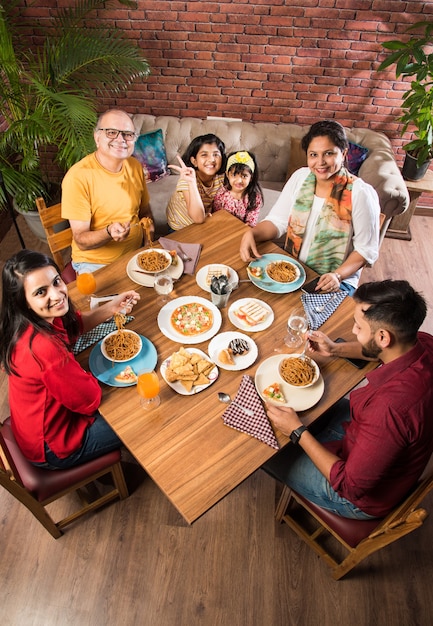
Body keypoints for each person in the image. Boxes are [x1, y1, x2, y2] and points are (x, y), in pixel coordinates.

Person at [263, 279, 433, 520]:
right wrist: (334, 349)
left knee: (262, 451)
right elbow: (377, 352)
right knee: (304, 413)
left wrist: (297, 432)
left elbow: (349, 485)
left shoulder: (390, 409)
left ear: (383, 337)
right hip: (366, 437)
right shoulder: (422, 342)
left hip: (355, 497)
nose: (353, 331)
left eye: (358, 327)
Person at [0, 250, 140, 470]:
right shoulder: (43, 348)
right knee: (138, 413)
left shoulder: (34, 319)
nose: (57, 295)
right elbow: (90, 400)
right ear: (23, 301)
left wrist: (112, 307)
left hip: (36, 423)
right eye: (40, 292)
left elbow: (74, 326)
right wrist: (86, 375)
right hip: (52, 446)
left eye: (56, 282)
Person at [239, 120, 381, 295]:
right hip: (294, 269)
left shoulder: (360, 193)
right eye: (313, 155)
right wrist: (252, 233)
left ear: (343, 153)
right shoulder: (300, 177)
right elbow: (278, 221)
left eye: (328, 153)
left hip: (334, 280)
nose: (320, 162)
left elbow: (365, 251)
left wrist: (337, 275)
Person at [61, 109, 155, 274]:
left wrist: (148, 241)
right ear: (97, 138)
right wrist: (108, 232)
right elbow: (81, 240)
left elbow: (145, 212)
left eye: (128, 134)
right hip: (96, 264)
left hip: (137, 254)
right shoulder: (78, 177)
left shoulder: (135, 166)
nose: (121, 139)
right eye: (111, 132)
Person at [166, 133, 226, 230]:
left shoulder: (221, 177)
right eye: (204, 155)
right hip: (180, 228)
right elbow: (198, 218)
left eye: (216, 154)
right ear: (194, 161)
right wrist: (192, 182)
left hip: (204, 222)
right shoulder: (186, 179)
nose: (211, 159)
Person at [213, 150, 264, 227]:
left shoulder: (254, 197)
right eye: (234, 175)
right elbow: (216, 214)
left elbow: (251, 222)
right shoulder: (221, 193)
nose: (239, 181)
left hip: (241, 231)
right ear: (227, 174)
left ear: (251, 177)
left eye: (244, 176)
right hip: (221, 228)